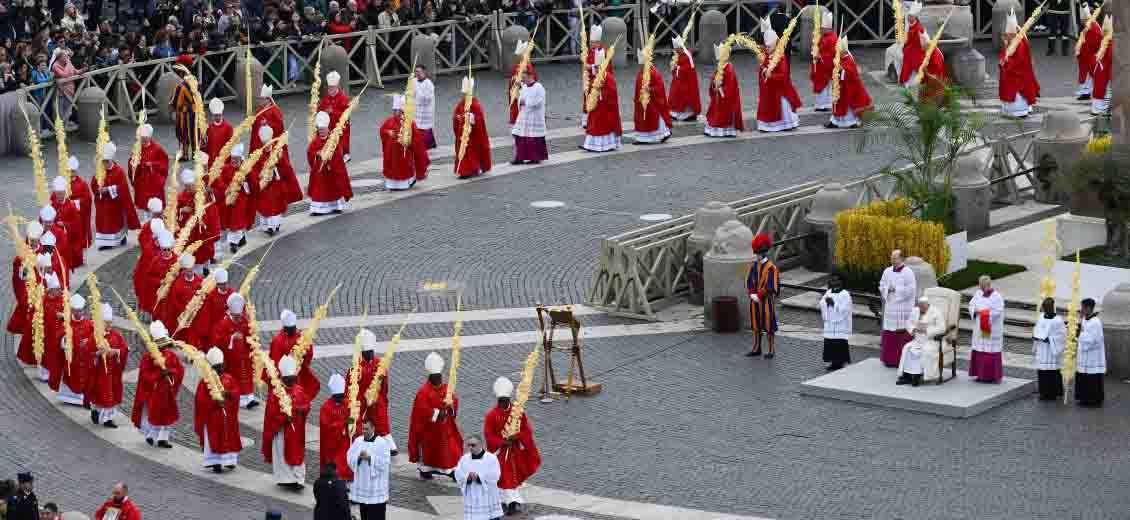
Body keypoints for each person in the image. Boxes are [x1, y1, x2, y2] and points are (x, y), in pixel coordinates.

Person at [483, 377, 540, 515]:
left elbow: (527, 430)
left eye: (505, 401)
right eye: (500, 401)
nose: (502, 404)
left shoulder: (517, 413)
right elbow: (488, 435)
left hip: (515, 451)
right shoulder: (491, 415)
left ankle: (512, 502)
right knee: (505, 477)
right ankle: (509, 501)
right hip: (500, 453)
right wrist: (502, 442)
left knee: (512, 477)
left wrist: (517, 436)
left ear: (509, 400)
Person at [408, 352, 463, 480]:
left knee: (450, 449)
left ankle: (451, 470)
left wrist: (451, 406)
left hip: (445, 428)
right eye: (435, 377)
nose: (438, 379)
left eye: (439, 377)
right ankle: (425, 469)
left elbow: (453, 400)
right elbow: (421, 411)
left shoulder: (446, 388)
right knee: (431, 451)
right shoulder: (423, 392)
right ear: (430, 377)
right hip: (430, 430)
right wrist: (437, 413)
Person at [130, 321, 186, 448]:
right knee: (154, 415)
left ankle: (163, 439)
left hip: (168, 392)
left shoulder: (171, 355)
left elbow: (180, 370)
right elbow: (144, 374)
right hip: (154, 392)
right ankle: (151, 435)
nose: (163, 347)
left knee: (167, 415)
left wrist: (171, 372)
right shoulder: (148, 357)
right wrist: (159, 375)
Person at [250, 85, 303, 217]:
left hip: (273, 145)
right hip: (262, 145)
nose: (262, 101)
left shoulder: (275, 110)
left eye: (264, 99)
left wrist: (266, 125)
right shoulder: (261, 110)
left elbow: (279, 126)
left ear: (268, 99)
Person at [263, 355, 312, 490]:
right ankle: (285, 479)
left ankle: (298, 478)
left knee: (297, 454)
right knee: (281, 452)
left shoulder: (299, 390)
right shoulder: (276, 393)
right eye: (289, 379)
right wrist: (284, 417)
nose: (292, 381)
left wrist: (299, 410)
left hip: (296, 430)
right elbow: (271, 413)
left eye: (293, 379)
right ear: (283, 378)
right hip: (282, 431)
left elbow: (307, 405)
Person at [195, 347, 242, 473]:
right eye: (217, 367)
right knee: (214, 438)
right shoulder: (205, 381)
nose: (220, 369)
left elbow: (236, 392)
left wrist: (229, 394)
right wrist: (214, 402)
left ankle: (230, 461)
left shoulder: (229, 378)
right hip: (213, 417)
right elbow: (200, 401)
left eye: (221, 366)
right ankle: (215, 462)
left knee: (229, 436)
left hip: (228, 415)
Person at [352, 330, 397, 455]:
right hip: (361, 399)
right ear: (362, 353)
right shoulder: (356, 368)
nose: (370, 355)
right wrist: (364, 398)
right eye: (367, 353)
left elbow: (384, 387)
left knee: (380, 409)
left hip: (376, 398)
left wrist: (382, 378)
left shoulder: (379, 364)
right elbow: (353, 388)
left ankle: (384, 435)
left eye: (371, 352)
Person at [211, 292, 257, 409]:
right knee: (235, 377)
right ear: (231, 312)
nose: (239, 318)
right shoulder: (224, 323)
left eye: (240, 316)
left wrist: (252, 339)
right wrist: (231, 337)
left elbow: (249, 334)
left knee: (247, 375)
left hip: (245, 356)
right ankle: (240, 398)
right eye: (236, 316)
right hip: (231, 358)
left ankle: (249, 396)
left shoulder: (244, 321)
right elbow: (217, 341)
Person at [91, 142, 140, 250]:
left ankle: (120, 238)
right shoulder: (100, 171)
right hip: (102, 203)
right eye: (103, 162)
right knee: (102, 222)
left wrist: (108, 189)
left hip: (115, 204)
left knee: (115, 223)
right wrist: (98, 189)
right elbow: (93, 183)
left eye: (106, 162)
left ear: (111, 160)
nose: (105, 164)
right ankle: (104, 242)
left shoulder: (119, 172)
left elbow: (122, 188)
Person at [756, 18, 802, 133]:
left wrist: (771, 75)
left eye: (769, 47)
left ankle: (785, 124)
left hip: (779, 90)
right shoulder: (767, 55)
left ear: (775, 45)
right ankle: (768, 125)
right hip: (769, 89)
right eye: (766, 47)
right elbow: (763, 67)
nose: (767, 49)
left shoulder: (780, 57)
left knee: (783, 108)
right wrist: (764, 70)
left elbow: (783, 74)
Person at [87, 303, 128, 428]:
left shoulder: (116, 335)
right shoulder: (95, 336)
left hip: (113, 371)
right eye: (106, 323)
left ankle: (108, 419)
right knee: (101, 394)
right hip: (100, 372)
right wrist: (98, 354)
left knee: (112, 394)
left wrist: (116, 352)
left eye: (110, 322)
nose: (109, 325)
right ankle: (96, 410)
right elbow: (88, 352)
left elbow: (124, 348)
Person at [580, 30, 622, 153]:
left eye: (594, 42)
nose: (592, 44)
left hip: (602, 98)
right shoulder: (590, 52)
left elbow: (605, 71)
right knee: (593, 119)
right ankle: (592, 144)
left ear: (599, 42)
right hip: (593, 88)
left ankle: (603, 144)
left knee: (599, 121)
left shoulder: (605, 58)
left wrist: (591, 68)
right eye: (591, 42)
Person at [379, 95, 431, 191]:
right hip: (391, 153)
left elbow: (416, 140)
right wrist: (387, 133)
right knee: (391, 168)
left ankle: (406, 182)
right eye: (393, 110)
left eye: (397, 110)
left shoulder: (409, 122)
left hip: (403, 153)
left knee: (403, 168)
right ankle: (392, 184)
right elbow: (382, 130)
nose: (394, 112)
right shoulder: (389, 121)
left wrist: (407, 140)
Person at [306, 111, 352, 215]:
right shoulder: (315, 141)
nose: (322, 131)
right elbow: (310, 152)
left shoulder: (333, 140)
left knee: (333, 188)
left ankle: (335, 206)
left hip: (331, 171)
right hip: (319, 173)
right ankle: (318, 209)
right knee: (319, 190)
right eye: (320, 130)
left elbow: (338, 153)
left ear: (327, 129)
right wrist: (317, 154)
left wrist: (329, 157)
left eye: (323, 129)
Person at [268, 309, 319, 400]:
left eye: (294, 328)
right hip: (285, 378)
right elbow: (275, 361)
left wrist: (302, 359)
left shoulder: (301, 337)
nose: (293, 330)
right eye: (290, 329)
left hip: (298, 373)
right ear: (285, 328)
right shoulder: (278, 341)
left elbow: (309, 353)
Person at [347, 420, 393, 520]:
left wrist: (370, 458)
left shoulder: (382, 443)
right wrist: (358, 458)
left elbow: (385, 462)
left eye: (367, 429)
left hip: (376, 491)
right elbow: (349, 457)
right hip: (363, 489)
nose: (364, 431)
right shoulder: (358, 441)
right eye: (363, 429)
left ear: (373, 428)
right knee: (364, 515)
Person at [878, 250, 916, 368]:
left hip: (903, 308)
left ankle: (901, 360)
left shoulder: (908, 272)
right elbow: (882, 284)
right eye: (891, 258)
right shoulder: (887, 271)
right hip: (890, 307)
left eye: (895, 258)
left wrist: (897, 289)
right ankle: (889, 359)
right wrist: (886, 289)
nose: (892, 260)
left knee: (900, 333)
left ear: (901, 259)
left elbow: (911, 289)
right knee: (889, 333)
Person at [999, 10, 1040, 118]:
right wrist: (1004, 59)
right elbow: (1005, 54)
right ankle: (1010, 110)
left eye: (1007, 35)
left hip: (1017, 74)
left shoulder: (1020, 44)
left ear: (1012, 33)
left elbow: (1019, 60)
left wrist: (1006, 63)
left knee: (1017, 92)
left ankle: (1019, 111)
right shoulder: (1010, 42)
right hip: (1010, 72)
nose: (1005, 36)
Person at [825, 35, 872, 129]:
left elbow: (851, 73)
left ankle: (851, 122)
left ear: (844, 51)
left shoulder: (849, 60)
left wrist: (841, 70)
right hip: (840, 87)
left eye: (838, 50)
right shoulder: (840, 58)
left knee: (846, 107)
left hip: (848, 88)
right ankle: (835, 121)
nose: (836, 52)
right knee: (837, 103)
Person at [56, 293, 94, 405]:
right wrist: (65, 341)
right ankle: (69, 397)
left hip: (85, 358)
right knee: (71, 376)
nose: (78, 313)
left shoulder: (89, 324)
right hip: (73, 358)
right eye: (75, 311)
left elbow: (95, 337)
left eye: (80, 311)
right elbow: (59, 336)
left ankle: (84, 398)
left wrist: (89, 341)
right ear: (72, 311)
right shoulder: (66, 323)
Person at [215, 144, 254, 253]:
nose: (233, 161)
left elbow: (252, 185)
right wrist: (226, 189)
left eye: (236, 159)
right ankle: (241, 239)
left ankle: (233, 243)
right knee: (230, 221)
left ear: (240, 159)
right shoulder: (226, 168)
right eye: (232, 159)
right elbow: (219, 181)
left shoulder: (246, 170)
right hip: (228, 199)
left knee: (235, 222)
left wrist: (244, 183)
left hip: (240, 199)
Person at [746, 233, 780, 358]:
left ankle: (771, 350)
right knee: (756, 325)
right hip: (755, 301)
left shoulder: (771, 268)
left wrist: (759, 295)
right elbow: (749, 282)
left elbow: (772, 286)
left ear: (764, 253)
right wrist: (751, 294)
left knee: (769, 325)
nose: (757, 255)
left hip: (766, 302)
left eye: (759, 253)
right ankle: (757, 348)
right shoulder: (754, 266)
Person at [454, 435, 504, 520]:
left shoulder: (491, 458)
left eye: (473, 445)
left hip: (488, 495)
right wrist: (468, 477)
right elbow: (458, 474)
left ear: (481, 444)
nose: (470, 448)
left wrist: (478, 477)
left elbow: (495, 475)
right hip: (472, 495)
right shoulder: (464, 459)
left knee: (491, 517)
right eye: (468, 445)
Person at [897, 297, 943, 387]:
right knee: (907, 348)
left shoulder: (936, 312)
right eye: (919, 307)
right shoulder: (915, 311)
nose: (921, 310)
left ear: (927, 305)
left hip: (930, 341)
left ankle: (917, 376)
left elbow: (942, 328)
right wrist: (913, 329)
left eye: (923, 307)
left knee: (925, 351)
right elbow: (908, 322)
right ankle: (907, 376)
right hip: (917, 339)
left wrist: (927, 330)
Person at [453, 75, 492, 179]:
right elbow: (456, 114)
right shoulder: (461, 103)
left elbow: (479, 119)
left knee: (472, 153)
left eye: (466, 94)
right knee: (464, 152)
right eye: (464, 94)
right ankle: (464, 170)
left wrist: (471, 118)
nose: (464, 95)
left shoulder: (475, 104)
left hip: (473, 135)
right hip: (463, 133)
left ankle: (470, 169)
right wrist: (458, 118)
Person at [128, 124, 170, 221]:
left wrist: (152, 165)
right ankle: (146, 225)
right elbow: (131, 164)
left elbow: (164, 164)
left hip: (153, 184)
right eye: (141, 138)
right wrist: (133, 165)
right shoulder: (137, 149)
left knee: (155, 209)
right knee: (145, 211)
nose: (143, 141)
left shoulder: (157, 149)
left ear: (149, 137)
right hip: (142, 184)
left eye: (145, 138)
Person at [968, 275, 1004, 383]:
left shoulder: (997, 296)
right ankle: (980, 374)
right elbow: (971, 305)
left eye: (983, 286)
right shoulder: (978, 293)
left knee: (989, 351)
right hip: (979, 327)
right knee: (979, 349)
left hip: (990, 328)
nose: (981, 288)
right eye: (980, 286)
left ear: (988, 285)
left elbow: (998, 311)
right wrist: (975, 311)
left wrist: (984, 313)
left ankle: (990, 376)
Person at [633, 47, 672, 144]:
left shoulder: (653, 72)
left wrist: (649, 90)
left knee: (654, 119)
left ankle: (663, 134)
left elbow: (659, 87)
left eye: (642, 65)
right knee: (644, 120)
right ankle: (643, 137)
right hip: (641, 101)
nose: (640, 66)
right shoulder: (642, 72)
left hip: (651, 101)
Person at [704, 42, 743, 137]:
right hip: (718, 97)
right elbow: (714, 79)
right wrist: (714, 84)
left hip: (725, 98)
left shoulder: (729, 69)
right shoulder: (720, 67)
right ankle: (714, 129)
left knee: (723, 115)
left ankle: (725, 131)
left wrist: (720, 88)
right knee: (715, 113)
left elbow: (731, 87)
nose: (718, 62)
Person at [319, 373, 352, 480]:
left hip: (345, 441)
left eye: (342, 396)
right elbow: (326, 427)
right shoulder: (326, 407)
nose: (341, 399)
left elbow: (354, 419)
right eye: (339, 397)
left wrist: (352, 422)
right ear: (333, 396)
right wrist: (343, 423)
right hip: (332, 444)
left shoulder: (348, 403)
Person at [511, 70, 548, 165]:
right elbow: (521, 99)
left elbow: (539, 102)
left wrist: (526, 102)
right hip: (524, 116)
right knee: (518, 135)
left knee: (533, 138)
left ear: (531, 76)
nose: (523, 80)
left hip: (534, 117)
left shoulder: (539, 87)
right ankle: (519, 157)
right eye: (522, 78)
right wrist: (521, 101)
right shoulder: (524, 87)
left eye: (524, 77)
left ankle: (535, 157)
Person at [1032, 297, 1066, 401]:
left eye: (1047, 307)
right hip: (1042, 349)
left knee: (1052, 372)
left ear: (1052, 307)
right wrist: (1035, 336)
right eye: (1044, 307)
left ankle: (1053, 393)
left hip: (1051, 350)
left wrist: (1050, 339)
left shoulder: (1058, 320)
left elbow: (1062, 335)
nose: (1045, 309)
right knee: (1042, 371)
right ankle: (1043, 392)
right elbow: (1037, 328)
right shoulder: (1041, 317)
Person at [48, 176, 84, 269]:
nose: (59, 196)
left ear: (64, 193)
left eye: (61, 194)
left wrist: (65, 224)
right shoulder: (52, 206)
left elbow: (77, 224)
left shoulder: (71, 206)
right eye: (57, 194)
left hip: (69, 238)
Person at [138, 231, 177, 315]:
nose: (166, 252)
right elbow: (148, 277)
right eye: (164, 250)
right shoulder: (156, 260)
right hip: (156, 291)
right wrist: (160, 281)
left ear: (171, 249)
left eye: (168, 249)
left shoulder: (176, 260)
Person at [1075, 298, 1105, 407]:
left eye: (1082, 307)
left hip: (1093, 355)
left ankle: (1093, 400)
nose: (1081, 310)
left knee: (1092, 378)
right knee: (1083, 375)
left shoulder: (1096, 322)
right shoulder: (1084, 319)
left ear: (1088, 308)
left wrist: (1080, 335)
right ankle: (1083, 398)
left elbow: (1094, 340)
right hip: (1084, 353)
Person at [820, 273, 852, 371]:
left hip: (840, 323)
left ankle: (840, 362)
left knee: (839, 342)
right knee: (830, 342)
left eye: (837, 280)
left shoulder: (845, 294)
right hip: (830, 322)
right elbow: (822, 303)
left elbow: (846, 309)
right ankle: (833, 362)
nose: (835, 282)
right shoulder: (829, 292)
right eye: (833, 280)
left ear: (842, 282)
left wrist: (834, 303)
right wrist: (825, 303)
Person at [317, 71, 351, 162]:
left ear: (337, 86)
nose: (330, 89)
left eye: (332, 87)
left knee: (341, 137)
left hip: (339, 125)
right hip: (328, 125)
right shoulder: (326, 97)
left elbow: (346, 114)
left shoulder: (343, 98)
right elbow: (320, 109)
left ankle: (345, 154)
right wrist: (322, 112)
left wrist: (333, 112)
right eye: (329, 87)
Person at [667, 35, 701, 122]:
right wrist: (674, 67)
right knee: (675, 94)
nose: (676, 51)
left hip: (687, 82)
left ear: (680, 48)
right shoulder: (680, 55)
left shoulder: (687, 56)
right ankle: (676, 112)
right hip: (679, 80)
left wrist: (676, 68)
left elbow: (687, 69)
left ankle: (688, 114)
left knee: (685, 98)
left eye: (677, 49)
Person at [171, 57, 199, 160]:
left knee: (183, 133)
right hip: (196, 110)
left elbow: (175, 103)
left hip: (184, 113)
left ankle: (185, 154)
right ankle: (196, 153)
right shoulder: (195, 80)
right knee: (195, 132)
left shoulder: (181, 86)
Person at [810, 11, 837, 112]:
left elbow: (832, 54)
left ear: (829, 28)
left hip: (825, 66)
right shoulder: (824, 36)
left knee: (825, 86)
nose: (821, 29)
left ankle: (823, 104)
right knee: (823, 85)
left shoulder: (832, 38)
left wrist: (819, 56)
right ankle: (822, 104)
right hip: (821, 66)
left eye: (823, 28)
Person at [66, 157, 93, 255]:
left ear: (76, 171)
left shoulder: (82, 184)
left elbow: (87, 200)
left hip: (79, 216)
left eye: (73, 171)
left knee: (79, 236)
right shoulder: (64, 183)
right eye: (69, 171)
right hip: (68, 216)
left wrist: (75, 203)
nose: (71, 173)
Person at [1075, 3, 1101, 100]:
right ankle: (1086, 91)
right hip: (1086, 55)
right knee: (1087, 75)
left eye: (1082, 19)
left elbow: (1092, 43)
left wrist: (1080, 50)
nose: (1081, 21)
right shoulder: (1089, 25)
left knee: (1088, 75)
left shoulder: (1092, 28)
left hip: (1089, 55)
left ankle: (1086, 92)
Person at [508, 41, 536, 127]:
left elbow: (532, 79)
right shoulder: (517, 65)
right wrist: (514, 81)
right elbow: (512, 77)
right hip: (516, 91)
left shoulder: (527, 66)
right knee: (516, 108)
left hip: (524, 91)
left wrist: (521, 82)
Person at [898, 1, 925, 88]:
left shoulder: (919, 27)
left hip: (917, 49)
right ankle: (906, 81)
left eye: (911, 17)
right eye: (909, 17)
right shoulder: (910, 23)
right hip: (910, 48)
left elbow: (922, 41)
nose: (909, 18)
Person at [1090, 17, 1113, 116]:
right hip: (1106, 70)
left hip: (1102, 69)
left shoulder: (1105, 40)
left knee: (1103, 90)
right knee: (1107, 91)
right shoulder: (1111, 43)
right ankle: (1104, 111)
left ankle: (1101, 109)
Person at [205, 98, 233, 170]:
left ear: (221, 114)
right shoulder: (209, 127)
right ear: (212, 116)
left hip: (223, 158)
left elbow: (231, 143)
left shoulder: (228, 127)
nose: (217, 117)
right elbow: (206, 143)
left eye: (219, 115)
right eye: (215, 115)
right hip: (212, 158)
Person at [414, 66, 437, 149]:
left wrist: (418, 92)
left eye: (419, 72)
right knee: (417, 127)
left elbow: (427, 98)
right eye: (416, 72)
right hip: (416, 109)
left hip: (426, 110)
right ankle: (418, 145)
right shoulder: (413, 81)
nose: (417, 74)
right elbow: (409, 92)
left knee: (426, 128)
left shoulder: (429, 84)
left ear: (424, 72)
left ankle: (428, 145)